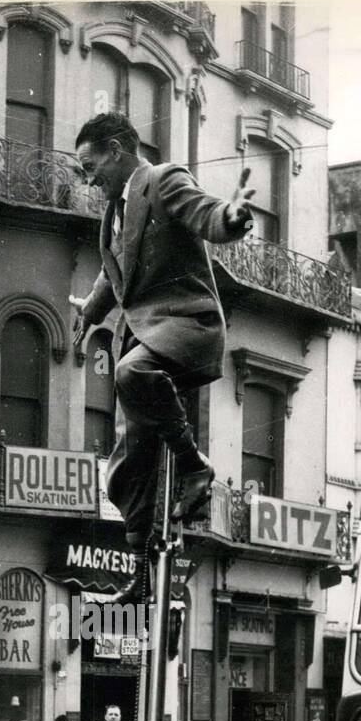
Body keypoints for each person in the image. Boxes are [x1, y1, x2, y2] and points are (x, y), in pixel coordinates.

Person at [70, 111, 254, 598]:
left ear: (115, 149)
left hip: (187, 325)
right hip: (145, 335)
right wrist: (90, 312)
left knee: (132, 372)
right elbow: (113, 275)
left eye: (91, 165)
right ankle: (141, 578)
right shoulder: (112, 212)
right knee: (129, 462)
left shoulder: (161, 180)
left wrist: (231, 218)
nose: (89, 178)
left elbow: (206, 213)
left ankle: (195, 465)